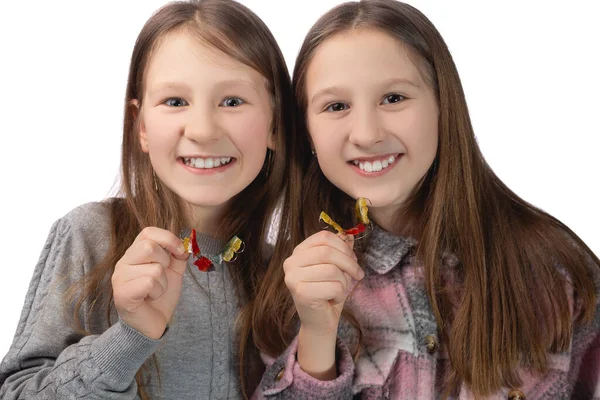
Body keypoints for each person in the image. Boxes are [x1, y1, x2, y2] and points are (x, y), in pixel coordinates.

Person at [248, 1, 600, 398]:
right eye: (336, 106)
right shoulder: (290, 282)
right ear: (306, 129)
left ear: (442, 106)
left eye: (394, 98)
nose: (366, 133)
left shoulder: (556, 268)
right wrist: (316, 334)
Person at [0, 0, 294, 398]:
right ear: (140, 126)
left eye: (232, 101)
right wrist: (131, 336)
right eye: (175, 102)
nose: (203, 130)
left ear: (275, 124)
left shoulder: (283, 272)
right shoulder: (90, 236)